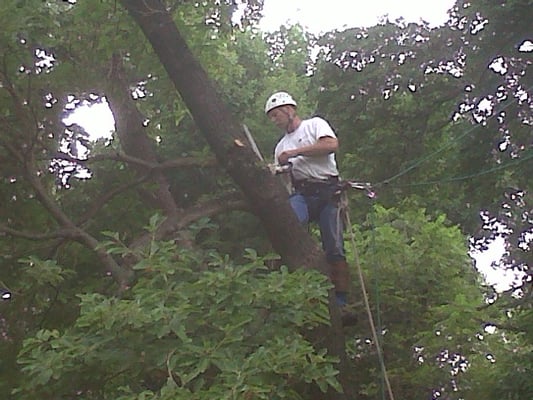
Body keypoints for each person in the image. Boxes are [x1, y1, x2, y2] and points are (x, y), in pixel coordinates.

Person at [265, 91, 351, 309]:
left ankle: (341, 299)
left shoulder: (314, 125)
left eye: (276, 115)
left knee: (333, 245)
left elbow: (330, 145)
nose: (274, 121)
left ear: (288, 110)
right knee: (287, 222)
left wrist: (295, 153)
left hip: (328, 192)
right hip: (303, 193)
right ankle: (289, 280)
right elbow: (284, 175)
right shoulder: (280, 147)